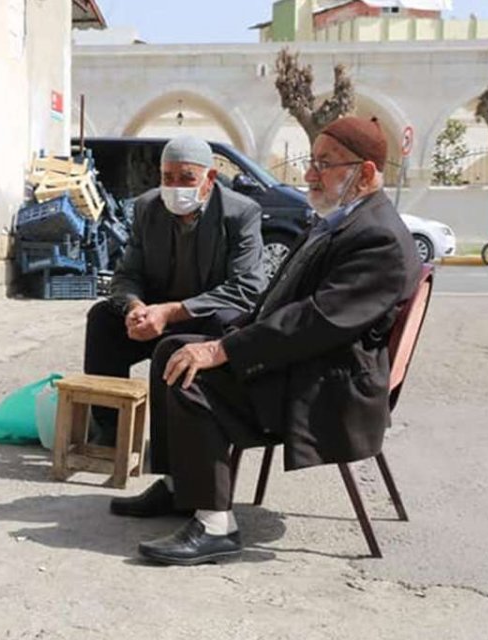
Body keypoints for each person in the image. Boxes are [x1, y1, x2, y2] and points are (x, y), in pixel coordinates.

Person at [112, 117, 422, 566]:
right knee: (171, 349)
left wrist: (223, 348)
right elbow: (284, 303)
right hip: (306, 358)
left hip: (325, 384)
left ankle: (216, 525)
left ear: (367, 173)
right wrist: (228, 336)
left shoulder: (378, 238)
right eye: (312, 161)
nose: (311, 174)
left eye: (325, 164)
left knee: (193, 378)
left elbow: (315, 322)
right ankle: (183, 484)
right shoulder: (344, 219)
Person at [83, 135, 266, 446]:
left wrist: (171, 312)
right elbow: (127, 273)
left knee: (225, 320)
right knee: (103, 318)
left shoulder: (240, 213)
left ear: (209, 178)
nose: (176, 186)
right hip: (155, 314)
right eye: (168, 177)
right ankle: (109, 429)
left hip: (205, 317)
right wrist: (135, 307)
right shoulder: (147, 207)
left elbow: (247, 286)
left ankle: (173, 447)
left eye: (186, 178)